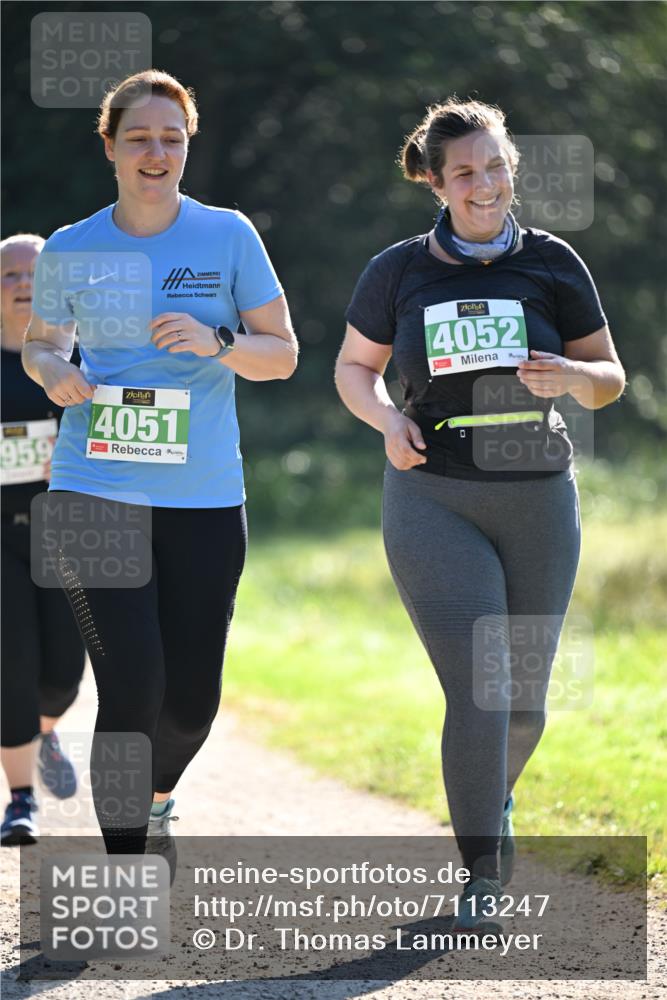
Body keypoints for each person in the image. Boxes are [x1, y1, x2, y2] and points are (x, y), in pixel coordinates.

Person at [335, 99, 625, 933]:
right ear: (433, 181)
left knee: (523, 702)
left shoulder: (553, 262)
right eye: (464, 171)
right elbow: (355, 368)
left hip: (539, 494)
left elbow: (608, 374)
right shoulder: (397, 270)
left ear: (511, 167)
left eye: (495, 166)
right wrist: (386, 419)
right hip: (434, 493)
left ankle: (487, 800)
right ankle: (481, 874)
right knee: (480, 691)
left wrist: (571, 381)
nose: (484, 183)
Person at [23, 70, 298, 858]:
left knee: (188, 706)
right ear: (109, 146)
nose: (156, 152)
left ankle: (154, 802)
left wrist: (218, 342)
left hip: (204, 496)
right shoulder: (72, 247)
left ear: (188, 146)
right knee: (132, 685)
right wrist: (54, 371)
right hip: (93, 485)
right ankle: (123, 869)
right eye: (139, 137)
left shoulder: (228, 235)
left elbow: (281, 356)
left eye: (171, 137)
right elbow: (42, 341)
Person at [1, 234, 85, 845]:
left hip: (70, 532)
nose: (23, 283)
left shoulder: (84, 356)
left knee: (62, 672)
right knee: (12, 664)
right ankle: (20, 799)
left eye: (34, 273)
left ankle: (46, 727)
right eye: (8, 275)